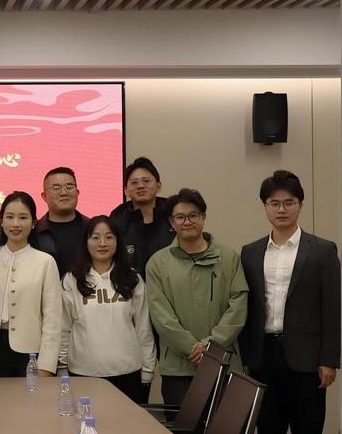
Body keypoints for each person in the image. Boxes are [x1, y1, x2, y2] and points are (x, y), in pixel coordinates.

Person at [239, 171, 340, 434]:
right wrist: (246, 356)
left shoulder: (323, 250)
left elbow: (332, 309)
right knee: (268, 427)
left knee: (308, 426)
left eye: (289, 203)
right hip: (263, 357)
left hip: (308, 360)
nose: (281, 209)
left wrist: (329, 360)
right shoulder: (250, 252)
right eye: (274, 203)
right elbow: (248, 308)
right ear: (265, 206)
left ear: (300, 205)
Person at [146, 188, 248, 405]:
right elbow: (161, 315)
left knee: (225, 423)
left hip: (223, 362)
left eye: (193, 215)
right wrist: (192, 348)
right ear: (171, 222)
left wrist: (210, 347)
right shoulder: (157, 263)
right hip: (178, 367)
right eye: (180, 217)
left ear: (203, 217)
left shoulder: (229, 258)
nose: (187, 222)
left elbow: (238, 307)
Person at [60, 215, 156, 404]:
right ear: (86, 242)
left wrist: (148, 367)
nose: (102, 243)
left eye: (109, 237)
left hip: (128, 372)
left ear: (117, 242)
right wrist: (61, 366)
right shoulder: (72, 279)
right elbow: (64, 327)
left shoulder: (132, 278)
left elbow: (143, 327)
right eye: (95, 237)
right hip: (83, 372)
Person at [0, 191, 62, 377]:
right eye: (9, 217)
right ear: (1, 221)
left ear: (33, 222)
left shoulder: (45, 262)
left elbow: (53, 318)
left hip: (30, 351)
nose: (15, 224)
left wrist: (47, 365)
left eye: (23, 217)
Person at [109, 157, 173, 279]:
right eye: (134, 182)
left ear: (159, 186)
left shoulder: (173, 216)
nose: (141, 186)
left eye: (146, 181)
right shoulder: (116, 221)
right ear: (126, 191)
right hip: (130, 287)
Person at [35, 167, 90, 278]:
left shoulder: (92, 228)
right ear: (44, 196)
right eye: (56, 188)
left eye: (69, 187)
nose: (64, 192)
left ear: (77, 192)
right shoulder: (33, 232)